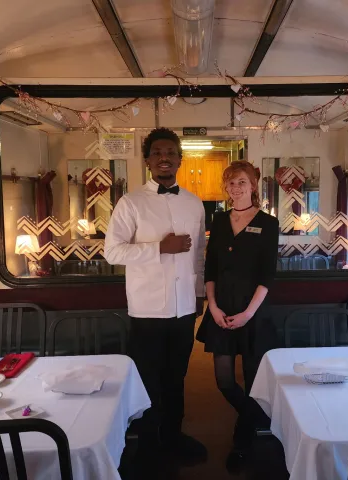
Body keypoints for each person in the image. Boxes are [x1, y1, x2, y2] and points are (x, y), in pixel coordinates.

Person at [104, 127, 207, 465]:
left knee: (177, 377)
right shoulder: (130, 202)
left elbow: (199, 255)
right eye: (158, 153)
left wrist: (198, 293)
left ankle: (174, 437)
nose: (165, 158)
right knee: (148, 380)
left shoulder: (193, 203)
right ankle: (148, 445)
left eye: (171, 152)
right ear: (148, 161)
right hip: (147, 308)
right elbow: (112, 252)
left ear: (180, 159)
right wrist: (158, 248)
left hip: (183, 308)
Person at [195, 161, 279, 471]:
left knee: (255, 382)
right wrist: (212, 306)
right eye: (230, 182)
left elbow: (268, 276)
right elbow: (211, 268)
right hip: (222, 310)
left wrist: (247, 314)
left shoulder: (268, 224)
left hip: (253, 312)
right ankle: (263, 421)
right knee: (225, 381)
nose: (235, 187)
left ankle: (242, 442)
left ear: (254, 185)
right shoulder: (218, 221)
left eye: (241, 182)